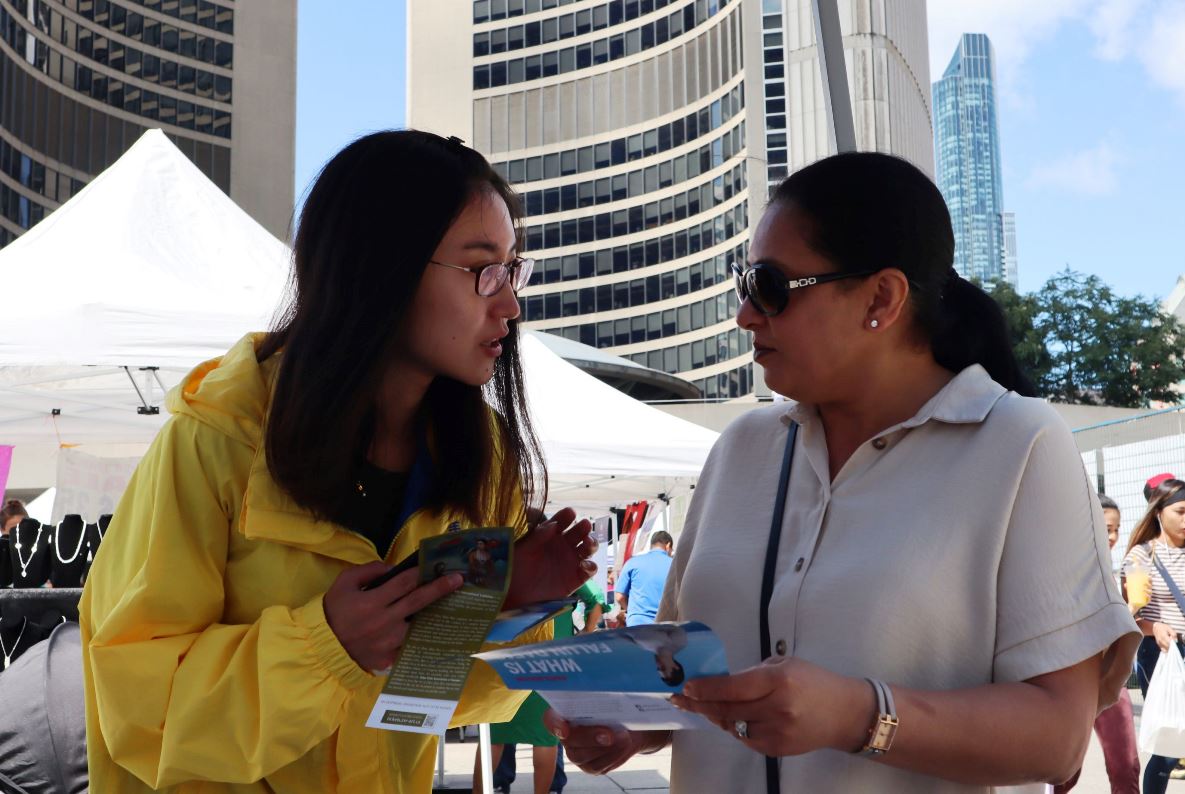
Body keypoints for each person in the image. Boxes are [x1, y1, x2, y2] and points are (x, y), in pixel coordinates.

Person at [547, 151, 1139, 792]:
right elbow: (688, 676)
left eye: (769, 287)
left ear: (881, 297)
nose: (745, 315)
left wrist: (860, 715)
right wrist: (631, 723)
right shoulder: (742, 448)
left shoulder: (1018, 444)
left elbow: (1058, 739)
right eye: (743, 284)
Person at [79, 130, 598, 794]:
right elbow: (136, 707)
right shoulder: (219, 438)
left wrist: (514, 609)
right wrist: (325, 648)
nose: (510, 304)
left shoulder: (482, 460)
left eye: (512, 270)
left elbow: (420, 706)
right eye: (482, 271)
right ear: (380, 268)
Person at [1054, 494, 1141, 794]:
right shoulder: (1060, 570)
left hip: (1110, 680)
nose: (1113, 537)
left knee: (1126, 764)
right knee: (1064, 772)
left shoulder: (1116, 572)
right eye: (1106, 529)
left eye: (1116, 529)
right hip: (1069, 680)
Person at [1122, 478, 1185, 794]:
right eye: (1181, 512)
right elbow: (1131, 614)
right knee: (1169, 748)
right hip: (1162, 654)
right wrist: (1154, 627)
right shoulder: (1140, 556)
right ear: (1159, 512)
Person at [615, 531, 673, 626]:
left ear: (651, 545)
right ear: (668, 545)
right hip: (666, 624)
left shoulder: (632, 562)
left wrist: (632, 612)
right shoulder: (674, 564)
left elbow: (619, 597)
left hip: (637, 623)